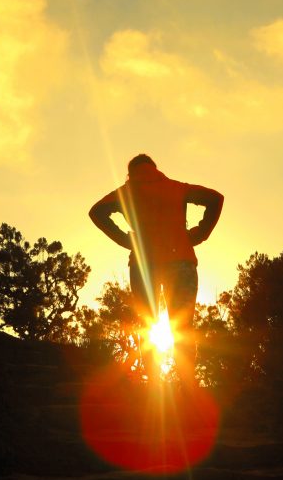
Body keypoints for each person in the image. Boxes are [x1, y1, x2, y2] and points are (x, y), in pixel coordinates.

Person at [89, 154, 223, 387]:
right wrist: (199, 234)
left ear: (130, 173)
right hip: (181, 262)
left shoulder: (127, 192)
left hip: (143, 264)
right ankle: (188, 385)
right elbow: (215, 198)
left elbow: (97, 212)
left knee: (147, 323)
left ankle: (152, 385)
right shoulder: (176, 187)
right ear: (154, 168)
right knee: (183, 326)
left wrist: (126, 240)